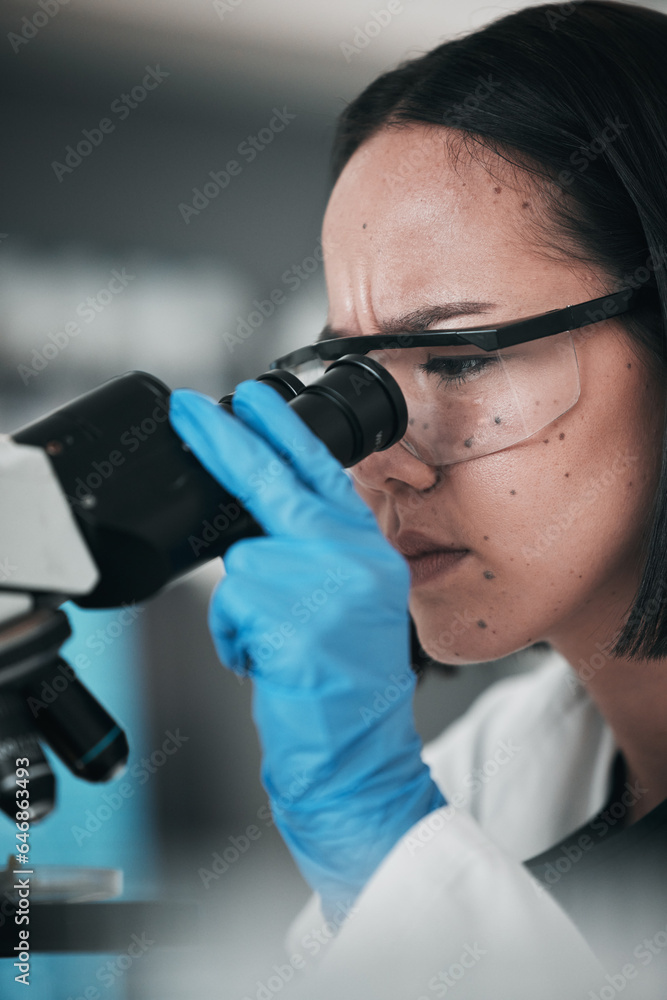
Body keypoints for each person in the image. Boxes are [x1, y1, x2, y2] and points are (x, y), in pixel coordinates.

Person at [168, 2, 667, 996]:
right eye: (355, 385)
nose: (376, 464)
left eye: (456, 358)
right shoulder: (502, 769)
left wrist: (373, 827)